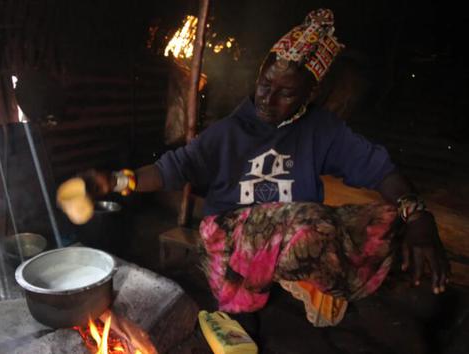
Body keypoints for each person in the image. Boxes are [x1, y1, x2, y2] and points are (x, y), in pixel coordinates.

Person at [80, 8, 448, 327]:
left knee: (385, 221)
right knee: (308, 225)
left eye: (286, 93)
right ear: (259, 74)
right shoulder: (228, 132)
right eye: (265, 84)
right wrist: (117, 180)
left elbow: (379, 169)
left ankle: (308, 278)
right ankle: (286, 281)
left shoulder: (321, 129)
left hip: (292, 239)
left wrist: (418, 217)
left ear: (310, 95)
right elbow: (172, 169)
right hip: (232, 240)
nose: (268, 100)